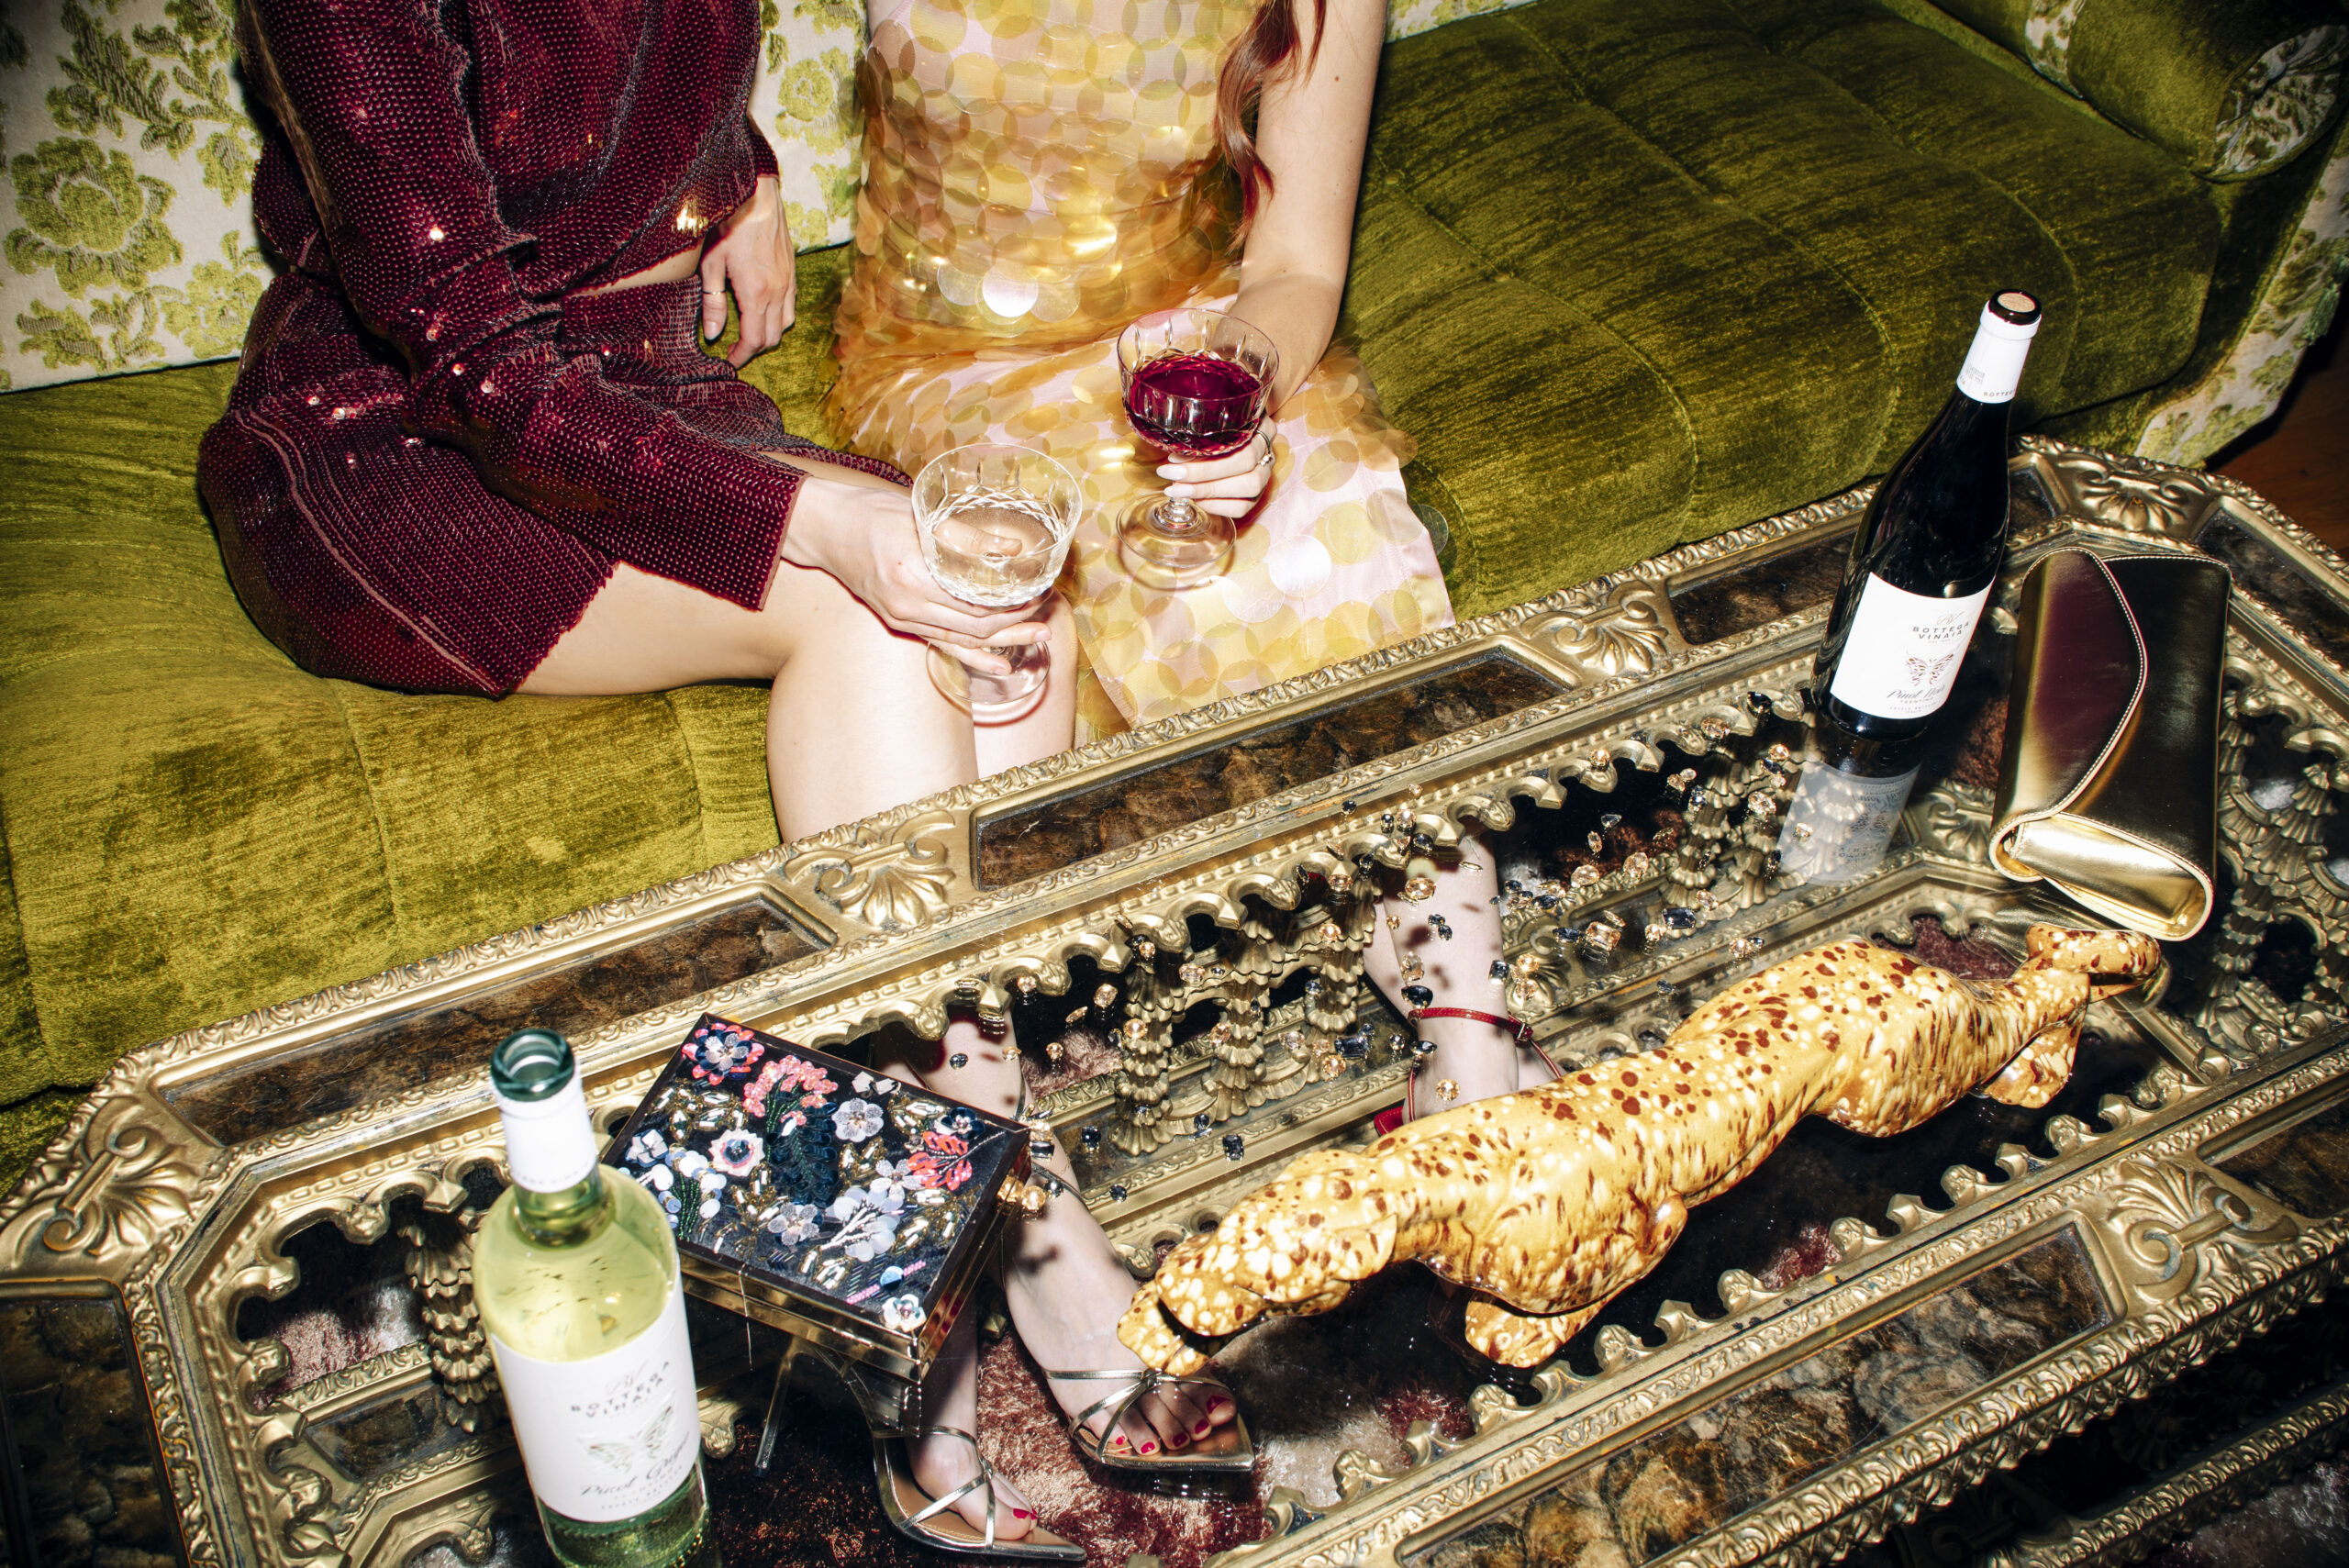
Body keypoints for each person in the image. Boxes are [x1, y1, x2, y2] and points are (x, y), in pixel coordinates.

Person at [194, 2, 1212, 1554]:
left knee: (1019, 606)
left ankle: (1007, 1206)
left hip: (631, 388)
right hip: (410, 437)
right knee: (886, 621)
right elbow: (472, 351)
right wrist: (813, 524)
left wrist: (733, 172)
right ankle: (915, 1341)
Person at [821, 0, 1555, 1547]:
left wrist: (1248, 378)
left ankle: (1463, 1029)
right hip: (958, 368)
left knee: (1339, 511)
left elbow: (1296, 272)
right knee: (1014, 595)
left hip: (1184, 341)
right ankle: (1018, 1209)